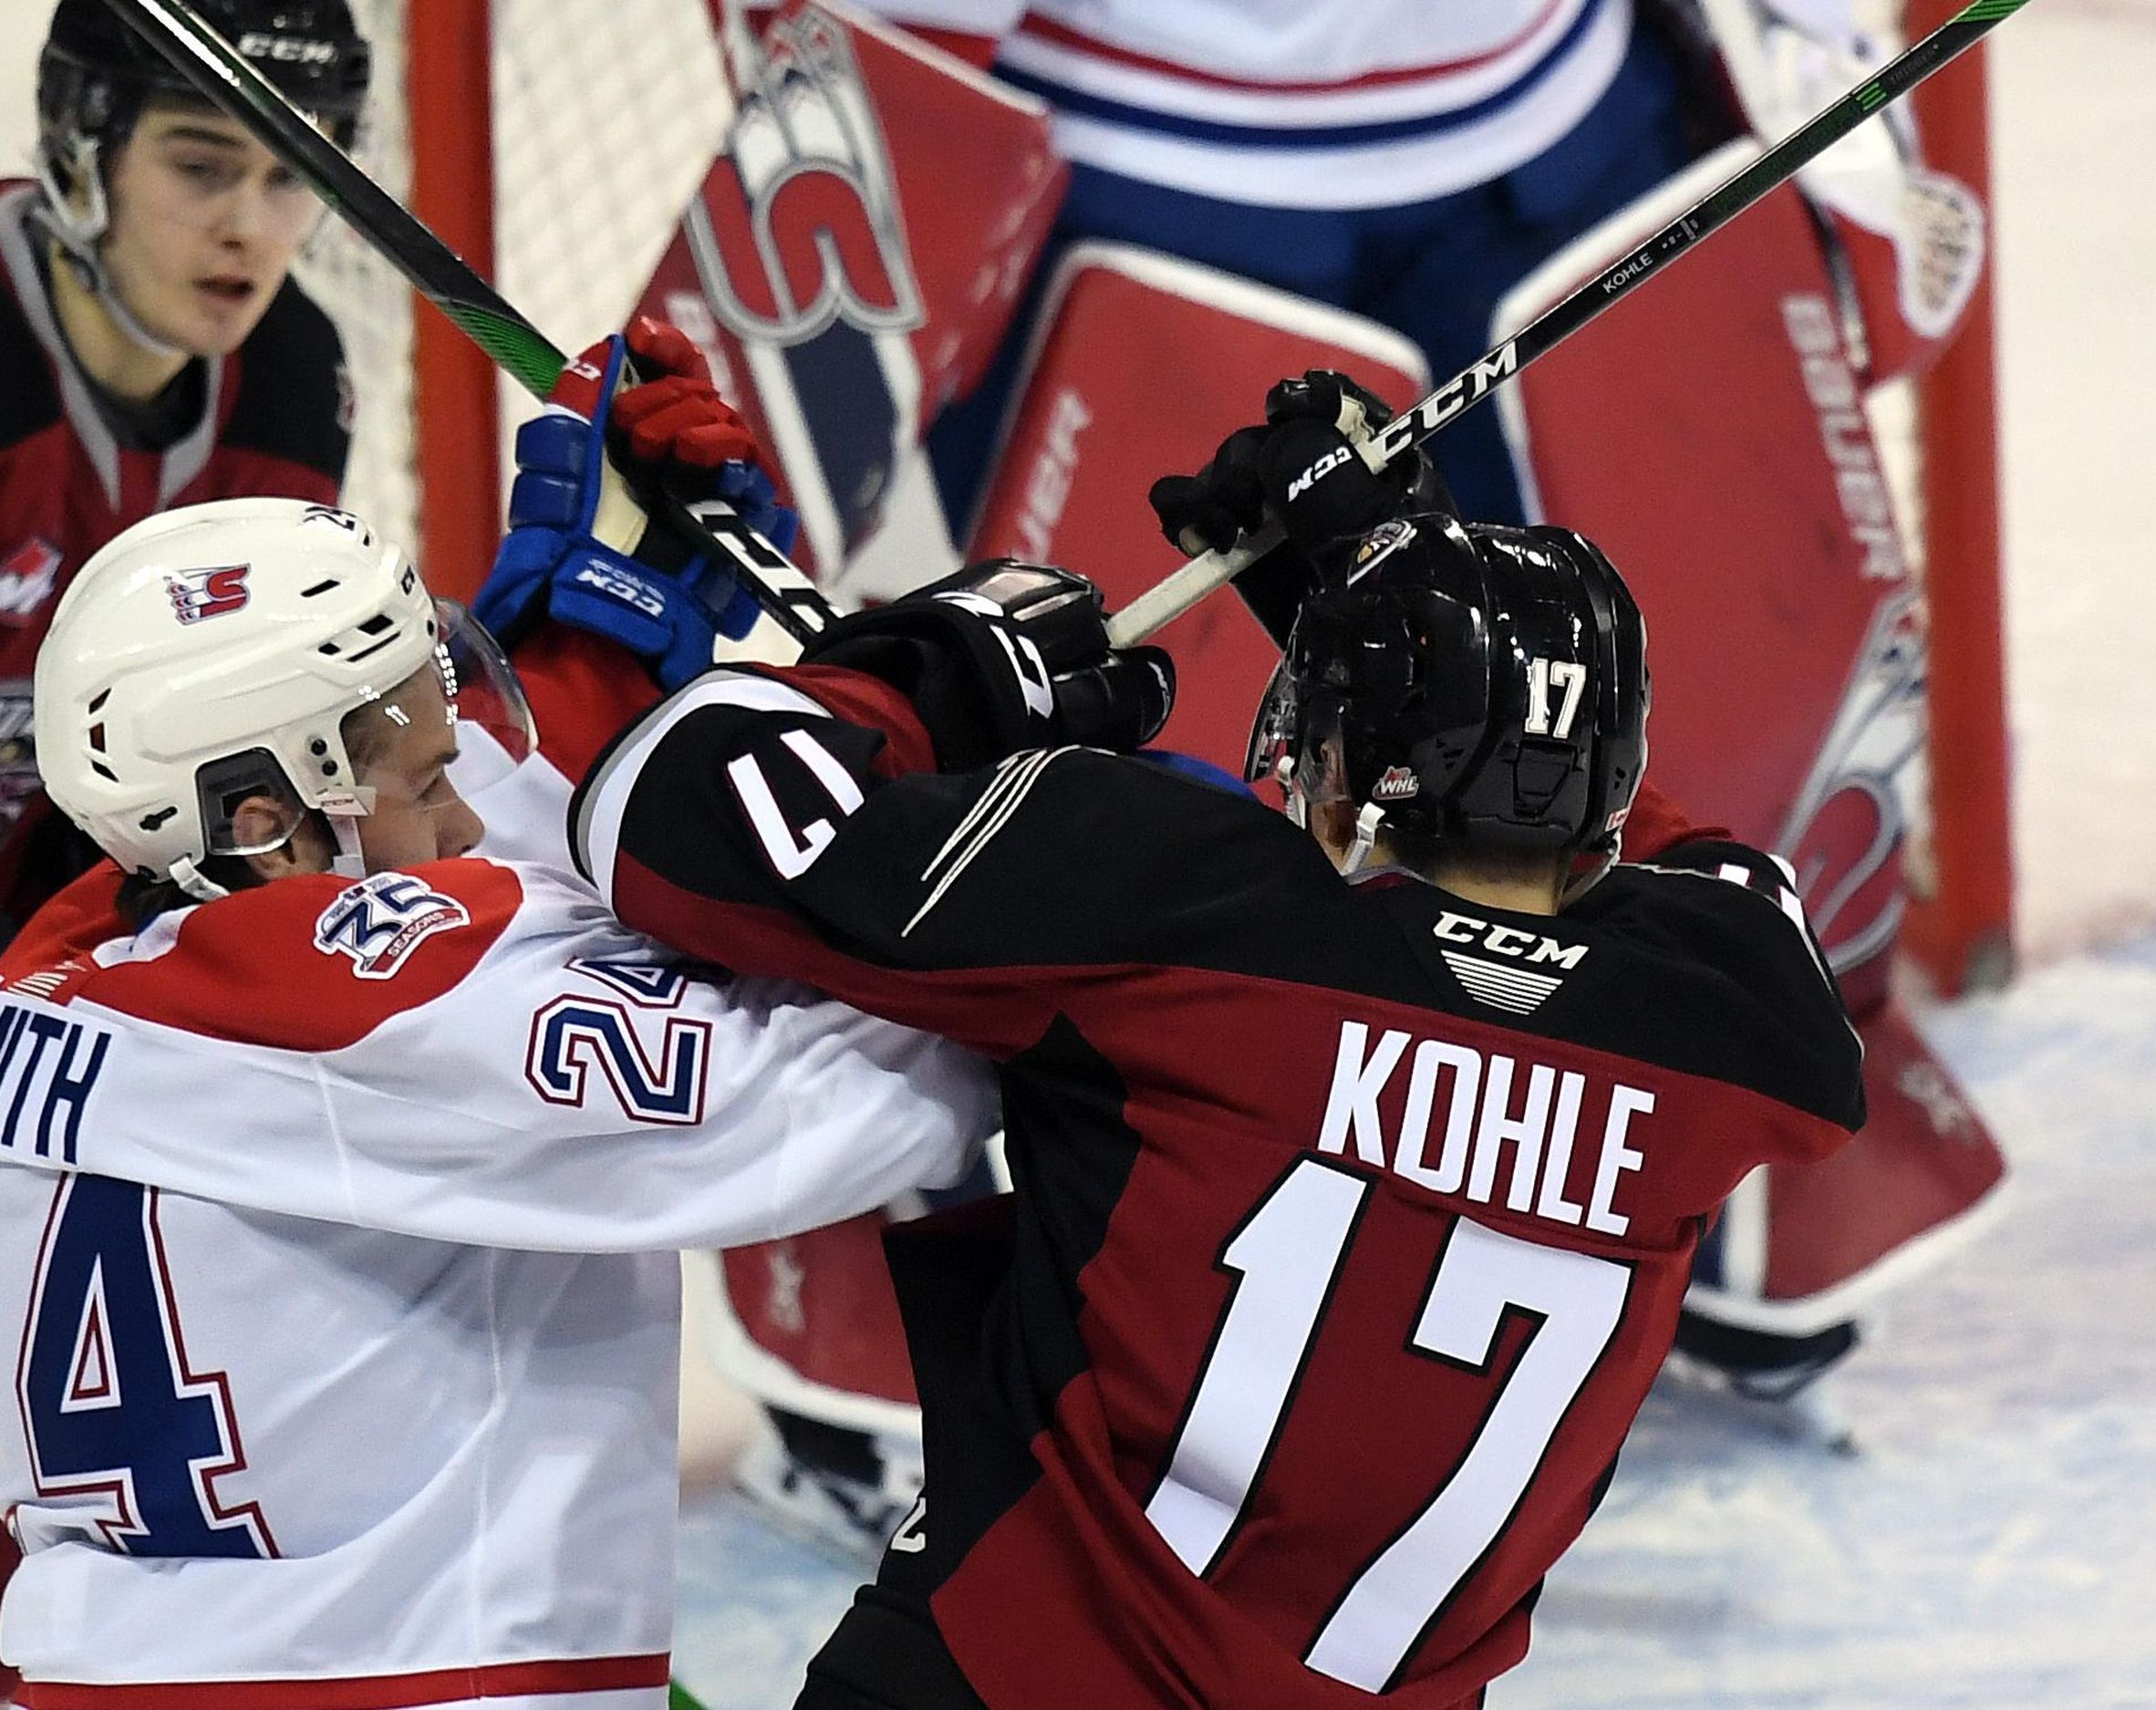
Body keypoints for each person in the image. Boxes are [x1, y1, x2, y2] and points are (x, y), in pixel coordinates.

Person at [565, 374, 1867, 1706]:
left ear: (1354, 764)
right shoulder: (1735, 1027)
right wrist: (1434, 632)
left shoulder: (1183, 900)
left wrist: (927, 677)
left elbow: (662, 814)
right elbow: (1686, 874)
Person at [0, 366, 1000, 1697]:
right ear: (258, 819)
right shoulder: (357, 1011)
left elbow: (428, 893)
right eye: (426, 780)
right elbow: (832, 1103)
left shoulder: (76, 966)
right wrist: (1016, 826)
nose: (466, 817)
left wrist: (595, 641)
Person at [0, 0, 369, 939]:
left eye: (291, 174)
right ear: (83, 145)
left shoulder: (289, 380)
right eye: (201, 168)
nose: (249, 227)